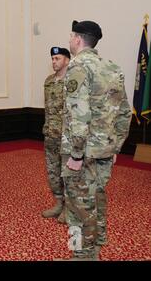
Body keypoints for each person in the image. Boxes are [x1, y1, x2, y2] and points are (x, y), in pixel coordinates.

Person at [59, 20, 131, 260]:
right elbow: (123, 113)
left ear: (78, 39)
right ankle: (98, 242)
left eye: (71, 36)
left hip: (82, 151)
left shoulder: (78, 66)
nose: (69, 40)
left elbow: (79, 115)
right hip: (104, 148)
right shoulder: (112, 67)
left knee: (78, 206)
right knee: (96, 195)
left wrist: (77, 155)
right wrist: (116, 146)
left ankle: (82, 255)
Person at [42, 47, 70, 224]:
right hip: (50, 134)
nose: (54, 62)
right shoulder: (49, 81)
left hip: (67, 137)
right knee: (53, 172)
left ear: (67, 60)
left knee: (67, 174)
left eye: (57, 58)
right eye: (52, 58)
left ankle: (69, 209)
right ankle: (59, 203)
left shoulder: (73, 81)